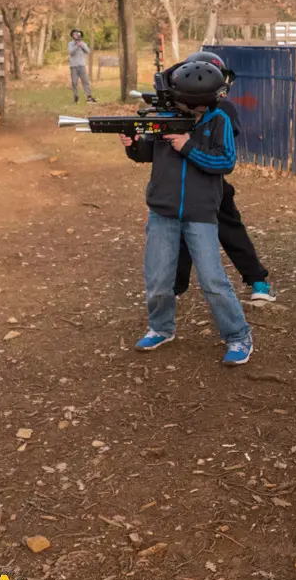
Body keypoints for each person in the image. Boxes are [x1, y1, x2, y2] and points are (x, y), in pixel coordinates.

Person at [120, 57, 253, 365]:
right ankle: (161, 328)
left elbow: (226, 163)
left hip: (201, 213)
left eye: (200, 106)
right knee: (157, 280)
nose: (196, 111)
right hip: (162, 212)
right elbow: (145, 155)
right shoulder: (163, 117)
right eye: (191, 106)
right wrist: (131, 143)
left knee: (213, 281)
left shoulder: (220, 120)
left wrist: (187, 145)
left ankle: (238, 337)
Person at [173, 50, 275, 303]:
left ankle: (257, 281)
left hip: (214, 184)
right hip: (182, 184)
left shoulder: (223, 109)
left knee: (232, 232)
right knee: (181, 236)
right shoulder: (176, 108)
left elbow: (231, 132)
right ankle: (173, 289)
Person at [68, 28, 97, 104]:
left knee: (85, 81)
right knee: (74, 82)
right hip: (73, 66)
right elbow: (71, 52)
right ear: (72, 35)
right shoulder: (70, 44)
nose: (76, 35)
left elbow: (88, 51)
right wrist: (77, 46)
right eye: (74, 34)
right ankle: (76, 97)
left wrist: (82, 45)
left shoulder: (83, 43)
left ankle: (89, 97)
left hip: (82, 65)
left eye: (77, 34)